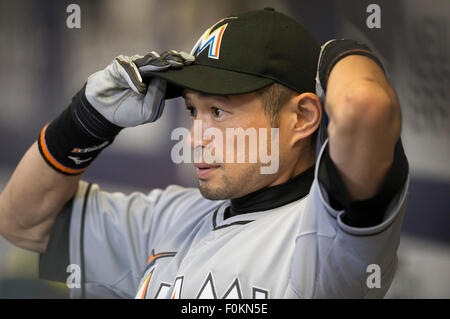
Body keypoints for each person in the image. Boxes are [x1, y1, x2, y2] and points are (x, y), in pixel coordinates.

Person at [0, 8, 409, 299]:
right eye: (193, 110)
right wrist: (86, 121)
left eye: (218, 111)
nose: (195, 136)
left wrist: (340, 52)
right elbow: (22, 222)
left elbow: (363, 105)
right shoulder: (175, 216)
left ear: (302, 116)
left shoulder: (325, 238)